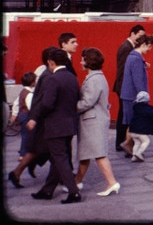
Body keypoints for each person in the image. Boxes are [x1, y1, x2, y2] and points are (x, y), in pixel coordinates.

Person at [26, 48, 82, 203]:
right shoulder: (72, 78)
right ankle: (47, 190)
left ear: (51, 62)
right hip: (69, 124)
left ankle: (74, 192)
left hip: (55, 125)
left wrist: (35, 118)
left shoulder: (52, 79)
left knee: (60, 159)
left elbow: (47, 103)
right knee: (59, 158)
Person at [73, 47, 121, 197]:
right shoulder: (97, 77)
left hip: (92, 122)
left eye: (82, 59)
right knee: (86, 154)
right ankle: (76, 182)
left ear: (88, 61)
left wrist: (70, 107)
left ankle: (112, 182)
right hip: (93, 121)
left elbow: (87, 102)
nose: (80, 62)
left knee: (99, 154)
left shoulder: (93, 79)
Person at [7, 47, 57, 189]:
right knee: (50, 150)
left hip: (42, 118)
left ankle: (21, 170)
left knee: (43, 149)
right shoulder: (47, 75)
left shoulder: (44, 73)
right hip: (44, 119)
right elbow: (40, 99)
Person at [119, 34, 153, 156]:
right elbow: (138, 80)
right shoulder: (136, 58)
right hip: (133, 96)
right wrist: (143, 97)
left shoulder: (134, 57)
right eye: (149, 47)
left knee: (132, 121)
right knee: (133, 122)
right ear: (143, 44)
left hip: (129, 95)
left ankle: (131, 146)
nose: (150, 50)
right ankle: (128, 144)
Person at [113, 24, 145, 152]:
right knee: (125, 116)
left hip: (122, 86)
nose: (141, 38)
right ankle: (124, 143)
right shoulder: (127, 48)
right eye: (140, 35)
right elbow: (125, 70)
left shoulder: (128, 47)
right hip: (124, 86)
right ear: (132, 33)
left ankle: (122, 142)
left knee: (123, 116)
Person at [128, 91, 153, 162]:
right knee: (146, 141)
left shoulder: (135, 107)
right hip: (140, 130)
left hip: (132, 130)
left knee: (137, 143)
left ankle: (134, 156)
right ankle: (139, 153)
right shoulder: (149, 108)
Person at [10, 71, 37, 162]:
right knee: (27, 135)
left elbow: (16, 103)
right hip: (26, 115)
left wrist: (14, 114)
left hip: (21, 115)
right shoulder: (29, 94)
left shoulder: (22, 91)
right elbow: (30, 106)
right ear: (32, 82)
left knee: (24, 135)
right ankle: (22, 154)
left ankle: (23, 151)